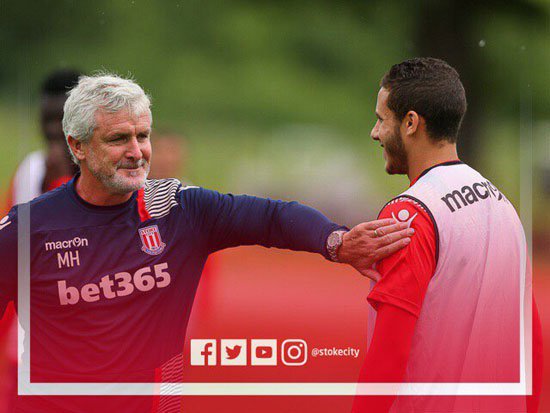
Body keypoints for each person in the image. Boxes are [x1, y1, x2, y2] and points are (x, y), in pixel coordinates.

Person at [0, 73, 413, 412]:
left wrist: (336, 241)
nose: (137, 152)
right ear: (77, 146)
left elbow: (271, 216)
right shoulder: (30, 226)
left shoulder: (177, 207)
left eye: (143, 136)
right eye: (118, 139)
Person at [351, 58, 543, 412]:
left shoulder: (408, 216)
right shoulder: (503, 206)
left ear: (411, 123)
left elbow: (388, 355)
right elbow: (530, 343)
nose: (375, 133)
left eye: (381, 119)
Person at [0, 69, 82, 413]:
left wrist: (61, 182)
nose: (51, 130)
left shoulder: (108, 178)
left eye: (60, 120)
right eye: (45, 119)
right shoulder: (30, 171)